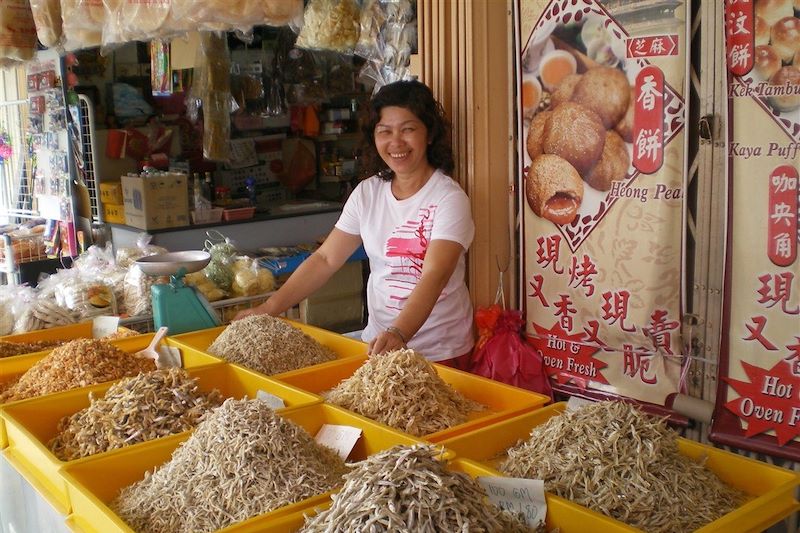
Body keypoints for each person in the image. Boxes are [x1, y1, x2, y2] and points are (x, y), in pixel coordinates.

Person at [235, 80, 475, 365]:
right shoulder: (367, 193)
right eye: (384, 131)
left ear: (429, 134)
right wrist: (270, 307)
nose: (396, 142)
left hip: (439, 350)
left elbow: (435, 274)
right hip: (379, 346)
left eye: (408, 129)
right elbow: (325, 258)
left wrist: (400, 332)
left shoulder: (449, 198)